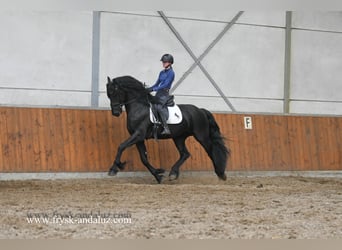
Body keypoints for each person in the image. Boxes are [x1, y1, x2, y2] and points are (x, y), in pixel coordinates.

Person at [148, 54, 175, 135]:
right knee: (151, 105)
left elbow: (166, 84)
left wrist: (154, 89)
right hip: (159, 93)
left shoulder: (171, 73)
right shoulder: (161, 73)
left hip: (165, 94)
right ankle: (155, 124)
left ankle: (166, 128)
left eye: (165, 62)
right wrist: (149, 89)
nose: (163, 63)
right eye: (163, 62)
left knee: (159, 107)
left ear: (170, 63)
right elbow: (157, 84)